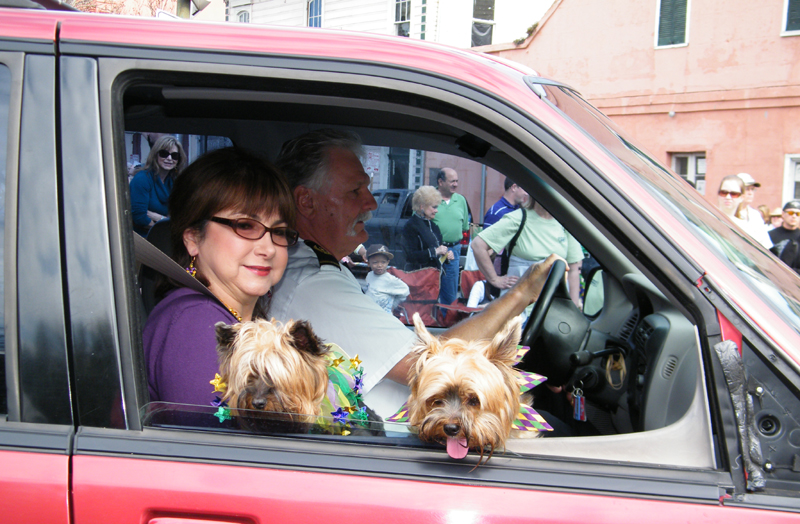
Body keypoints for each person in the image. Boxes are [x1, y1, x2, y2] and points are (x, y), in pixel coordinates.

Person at [271, 129, 563, 416]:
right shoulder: (316, 285)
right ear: (307, 202)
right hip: (399, 441)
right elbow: (435, 364)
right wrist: (520, 295)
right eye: (354, 191)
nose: (371, 203)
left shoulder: (316, 269)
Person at [143, 146, 298, 411]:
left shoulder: (213, 315)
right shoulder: (197, 325)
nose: (269, 248)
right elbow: (216, 446)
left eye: (279, 231)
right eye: (245, 225)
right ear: (193, 238)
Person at [471, 199, 584, 309]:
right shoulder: (518, 218)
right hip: (519, 309)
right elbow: (478, 245)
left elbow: (573, 270)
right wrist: (495, 279)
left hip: (553, 309)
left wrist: (572, 309)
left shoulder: (565, 223)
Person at [130, 135, 187, 236]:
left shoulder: (175, 181)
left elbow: (178, 217)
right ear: (155, 155)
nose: (169, 158)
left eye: (174, 156)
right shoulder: (142, 179)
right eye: (164, 154)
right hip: (143, 239)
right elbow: (140, 218)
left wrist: (158, 217)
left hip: (164, 236)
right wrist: (165, 226)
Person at [433, 168, 470, 306]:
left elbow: (465, 226)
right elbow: (418, 224)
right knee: (429, 290)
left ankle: (447, 323)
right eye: (452, 181)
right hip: (433, 250)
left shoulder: (460, 200)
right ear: (440, 182)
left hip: (453, 250)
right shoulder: (430, 198)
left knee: (450, 293)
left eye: (457, 181)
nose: (455, 184)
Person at [401, 185, 454, 271]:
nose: (436, 210)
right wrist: (435, 251)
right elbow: (410, 256)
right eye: (434, 207)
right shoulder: (410, 226)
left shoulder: (434, 226)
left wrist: (446, 256)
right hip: (418, 277)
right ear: (422, 207)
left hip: (434, 277)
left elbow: (438, 255)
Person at [717, 175, 772, 248]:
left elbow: (764, 244)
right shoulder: (711, 215)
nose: (750, 193)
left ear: (741, 196)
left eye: (752, 189)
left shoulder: (755, 215)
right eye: (747, 189)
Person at [364, 244, 410, 313]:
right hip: (370, 311)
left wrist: (393, 305)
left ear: (388, 262)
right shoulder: (369, 275)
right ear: (368, 263)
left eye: (383, 262)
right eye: (375, 262)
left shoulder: (390, 280)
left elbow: (405, 291)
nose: (379, 265)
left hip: (384, 315)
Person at [769, 200, 800, 273]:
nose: (794, 216)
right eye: (790, 213)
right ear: (783, 214)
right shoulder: (770, 235)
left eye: (797, 214)